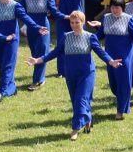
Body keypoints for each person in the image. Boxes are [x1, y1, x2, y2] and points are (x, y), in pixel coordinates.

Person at [32, 12, 121, 140]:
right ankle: (87, 119)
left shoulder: (90, 37)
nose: (74, 25)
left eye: (77, 22)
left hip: (86, 74)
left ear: (83, 22)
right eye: (72, 23)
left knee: (81, 100)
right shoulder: (66, 37)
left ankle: (75, 128)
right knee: (76, 101)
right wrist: (38, 60)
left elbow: (100, 52)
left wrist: (111, 61)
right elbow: (55, 52)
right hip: (71, 74)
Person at [92, 0, 133, 120]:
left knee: (124, 82)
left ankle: (121, 110)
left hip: (124, 56)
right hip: (110, 55)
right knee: (114, 83)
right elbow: (100, 34)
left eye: (117, 7)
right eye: (113, 7)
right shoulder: (106, 18)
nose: (115, 10)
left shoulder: (128, 19)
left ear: (123, 8)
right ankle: (122, 98)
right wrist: (89, 38)